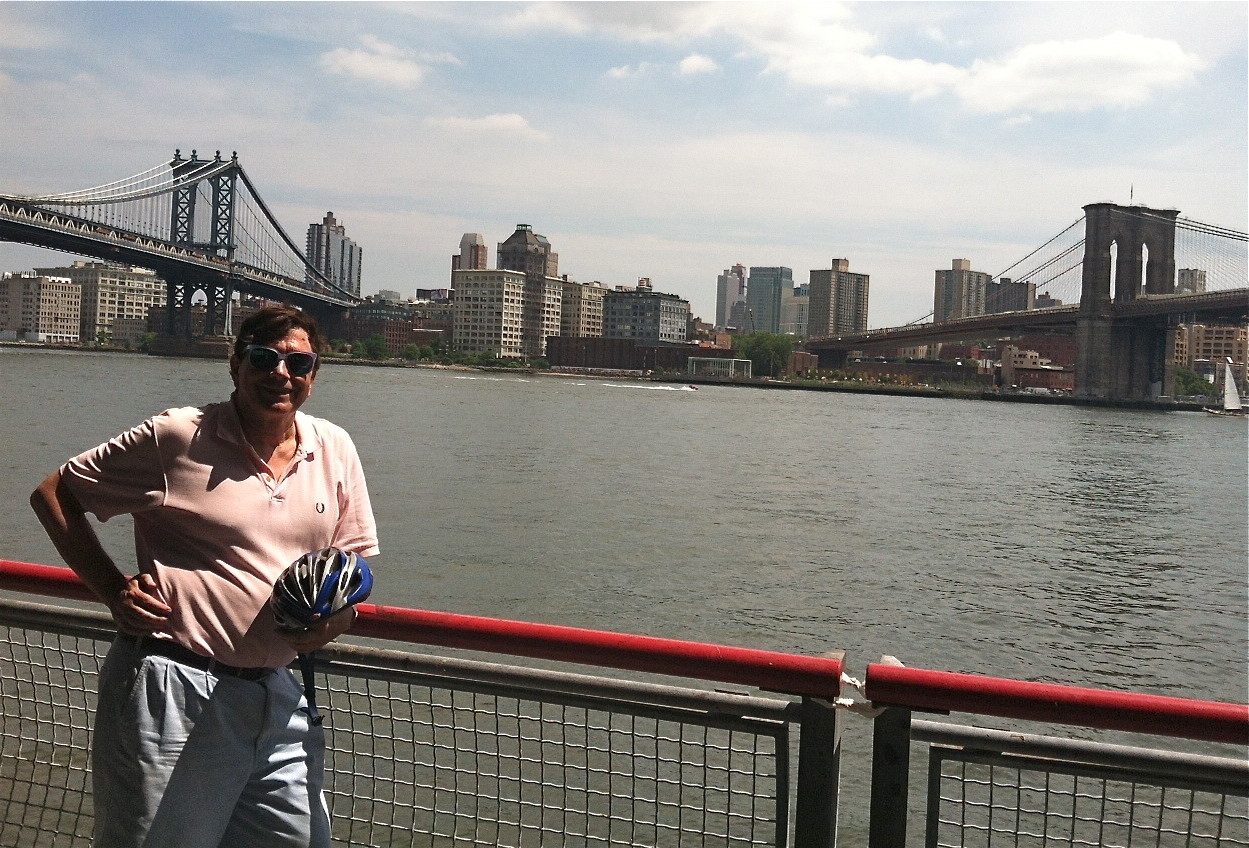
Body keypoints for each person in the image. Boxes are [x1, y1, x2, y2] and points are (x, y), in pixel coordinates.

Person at [30, 304, 379, 848]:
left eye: (299, 362)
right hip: (174, 687)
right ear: (235, 365)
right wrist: (113, 590)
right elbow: (54, 495)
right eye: (263, 359)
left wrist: (337, 621)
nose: (280, 374)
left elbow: (349, 565)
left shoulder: (334, 446)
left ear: (315, 374)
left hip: (279, 694)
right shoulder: (177, 437)